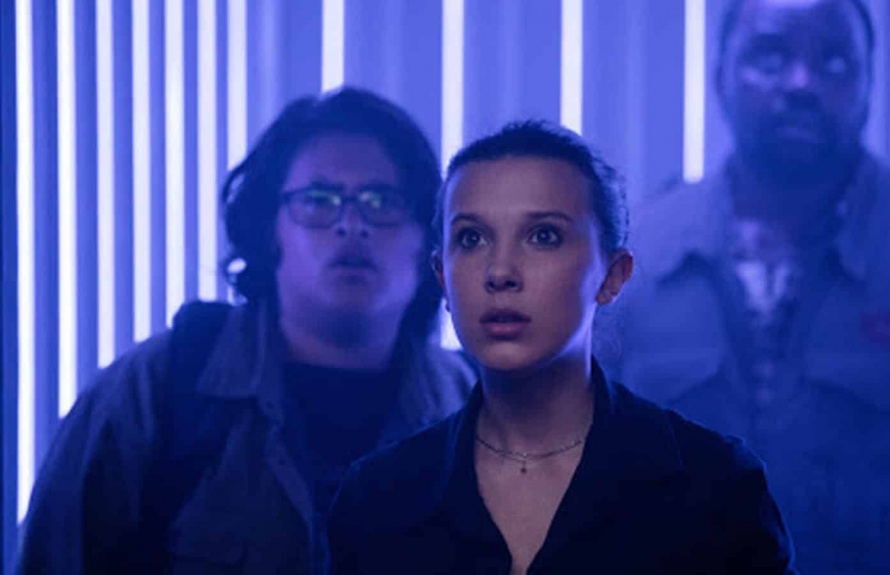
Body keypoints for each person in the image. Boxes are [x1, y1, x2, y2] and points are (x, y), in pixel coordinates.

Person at [598, 0, 890, 573]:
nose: (802, 83)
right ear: (720, 75)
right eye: (771, 55)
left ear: (869, 81)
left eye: (834, 60)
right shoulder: (636, 258)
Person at [12, 87, 475, 575]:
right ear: (268, 228)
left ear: (428, 236)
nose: (351, 225)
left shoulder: (475, 408)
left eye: (382, 201)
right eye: (319, 200)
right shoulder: (153, 394)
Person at [328, 121, 796, 575]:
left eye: (543, 236)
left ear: (613, 275)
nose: (500, 272)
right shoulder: (377, 499)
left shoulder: (715, 489)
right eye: (471, 238)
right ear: (442, 277)